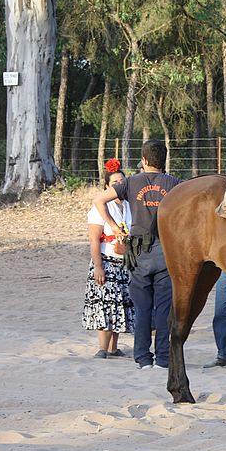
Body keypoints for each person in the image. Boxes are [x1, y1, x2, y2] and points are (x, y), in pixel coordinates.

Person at [93, 140, 180, 370]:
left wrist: (113, 227)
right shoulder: (174, 184)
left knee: (142, 308)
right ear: (164, 159)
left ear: (144, 160)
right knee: (163, 309)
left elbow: (99, 200)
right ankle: (163, 358)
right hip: (165, 251)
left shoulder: (131, 182)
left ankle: (143, 358)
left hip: (139, 253)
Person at [82, 159, 134, 359]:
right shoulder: (99, 209)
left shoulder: (129, 206)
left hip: (124, 262)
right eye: (115, 183)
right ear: (106, 186)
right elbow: (94, 239)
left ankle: (113, 348)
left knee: (120, 303)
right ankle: (102, 348)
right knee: (106, 304)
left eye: (122, 182)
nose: (119, 185)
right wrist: (98, 266)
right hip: (106, 261)